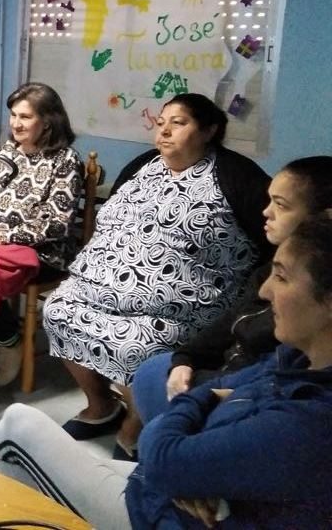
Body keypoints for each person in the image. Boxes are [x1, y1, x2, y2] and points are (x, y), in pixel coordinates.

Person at [0, 215, 332, 528]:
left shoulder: (310, 421)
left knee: (19, 425)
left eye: (281, 276)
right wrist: (200, 420)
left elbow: (161, 449)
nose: (264, 291)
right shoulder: (294, 360)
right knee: (20, 462)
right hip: (168, 489)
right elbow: (215, 395)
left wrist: (186, 429)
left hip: (155, 514)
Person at [42, 93, 271, 460]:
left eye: (178, 123)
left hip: (179, 311)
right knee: (57, 311)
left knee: (140, 348)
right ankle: (102, 406)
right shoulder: (142, 166)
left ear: (210, 130)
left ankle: (136, 427)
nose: (164, 130)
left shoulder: (237, 177)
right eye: (161, 121)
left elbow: (271, 243)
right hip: (95, 292)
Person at [133, 155, 332, 424]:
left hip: (242, 386)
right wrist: (186, 358)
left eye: (281, 205)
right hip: (232, 373)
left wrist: (211, 397)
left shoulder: (307, 300)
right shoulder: (268, 268)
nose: (266, 212)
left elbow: (269, 372)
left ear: (322, 218)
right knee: (154, 370)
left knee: (152, 390)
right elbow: (233, 321)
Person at [0, 83, 84, 386]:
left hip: (46, 252)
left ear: (48, 120)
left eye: (25, 117)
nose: (15, 123)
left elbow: (58, 224)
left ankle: (8, 339)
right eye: (13, 115)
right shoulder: (8, 151)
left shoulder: (65, 160)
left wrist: (9, 234)